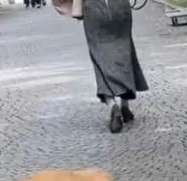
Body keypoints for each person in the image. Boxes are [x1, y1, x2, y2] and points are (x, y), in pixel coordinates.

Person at [54, 0, 149, 133]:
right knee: (124, 50)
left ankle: (112, 105)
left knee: (100, 56)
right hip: (119, 7)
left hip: (94, 9)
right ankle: (125, 105)